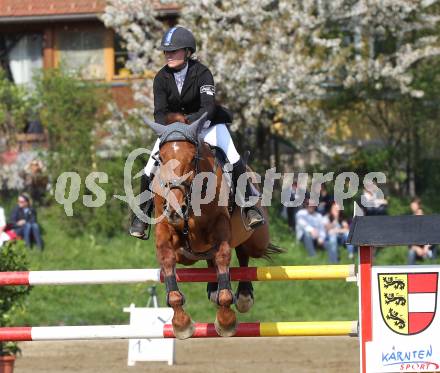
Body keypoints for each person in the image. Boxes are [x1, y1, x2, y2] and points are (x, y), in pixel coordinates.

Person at [130, 26, 265, 239]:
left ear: (187, 51)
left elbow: (208, 107)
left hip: (207, 124)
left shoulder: (202, 73)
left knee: (233, 157)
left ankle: (249, 207)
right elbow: (159, 112)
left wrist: (189, 124)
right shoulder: (161, 78)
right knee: (149, 168)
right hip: (174, 131)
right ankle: (141, 216)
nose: (169, 55)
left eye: (173, 51)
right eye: (166, 52)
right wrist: (173, 129)